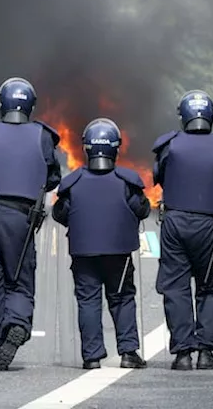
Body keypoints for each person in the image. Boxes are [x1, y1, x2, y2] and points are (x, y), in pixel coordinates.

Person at [153, 90, 213, 371]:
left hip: (174, 222)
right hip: (208, 225)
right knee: (210, 286)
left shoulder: (169, 145)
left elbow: (158, 175)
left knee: (175, 286)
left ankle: (182, 353)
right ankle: (206, 352)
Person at [0, 77, 62, 371]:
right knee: (19, 277)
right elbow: (53, 177)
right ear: (30, 105)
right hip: (22, 215)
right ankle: (17, 323)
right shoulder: (43, 136)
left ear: (1, 103)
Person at [52, 118, 149, 370]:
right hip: (119, 254)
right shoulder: (128, 182)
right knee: (122, 298)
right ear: (116, 149)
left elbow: (60, 214)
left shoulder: (72, 183)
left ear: (86, 148)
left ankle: (91, 356)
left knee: (88, 300)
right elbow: (142, 210)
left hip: (84, 253)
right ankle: (128, 352)